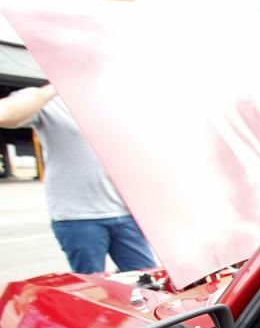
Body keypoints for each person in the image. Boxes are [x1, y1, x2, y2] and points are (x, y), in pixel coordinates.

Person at [0, 84, 157, 274]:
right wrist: (57, 84)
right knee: (91, 286)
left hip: (125, 213)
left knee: (148, 281)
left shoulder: (115, 104)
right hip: (79, 217)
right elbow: (5, 114)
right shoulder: (50, 102)